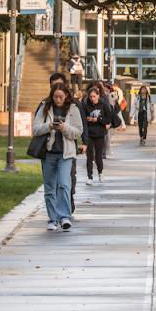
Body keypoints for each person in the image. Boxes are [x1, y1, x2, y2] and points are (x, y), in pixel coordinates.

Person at [34, 86, 85, 231]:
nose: (58, 100)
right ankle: (52, 218)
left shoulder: (73, 109)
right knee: (50, 187)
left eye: (61, 97)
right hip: (48, 152)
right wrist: (49, 126)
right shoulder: (45, 107)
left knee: (64, 184)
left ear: (66, 96)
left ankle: (64, 217)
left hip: (66, 153)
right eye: (55, 96)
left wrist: (64, 128)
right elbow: (36, 129)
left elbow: (78, 132)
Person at [79, 85, 122, 183]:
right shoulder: (86, 105)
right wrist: (87, 120)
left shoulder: (103, 105)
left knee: (98, 156)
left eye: (94, 96)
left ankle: (100, 173)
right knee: (89, 156)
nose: (92, 99)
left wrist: (97, 119)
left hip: (100, 133)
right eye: (90, 97)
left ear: (98, 95)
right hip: (89, 133)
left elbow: (108, 119)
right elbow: (82, 119)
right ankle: (89, 177)